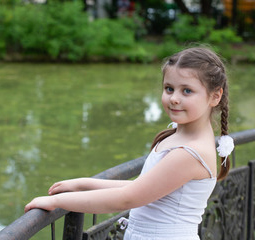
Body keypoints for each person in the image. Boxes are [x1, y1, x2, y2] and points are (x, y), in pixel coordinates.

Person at [24, 47, 234, 240]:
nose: (174, 99)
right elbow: (143, 187)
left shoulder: (190, 152)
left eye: (187, 91)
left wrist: (56, 202)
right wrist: (83, 184)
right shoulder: (182, 137)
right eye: (169, 88)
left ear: (215, 96)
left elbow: (128, 198)